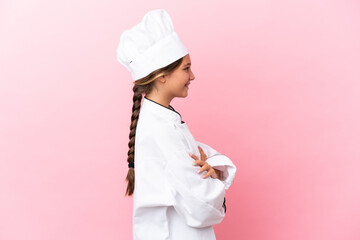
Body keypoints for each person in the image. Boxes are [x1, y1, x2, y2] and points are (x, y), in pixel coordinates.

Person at [116, 9, 237, 240]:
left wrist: (211, 169)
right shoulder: (162, 130)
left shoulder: (163, 120)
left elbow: (200, 156)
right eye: (186, 68)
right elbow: (200, 205)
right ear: (162, 75)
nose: (192, 76)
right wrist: (214, 180)